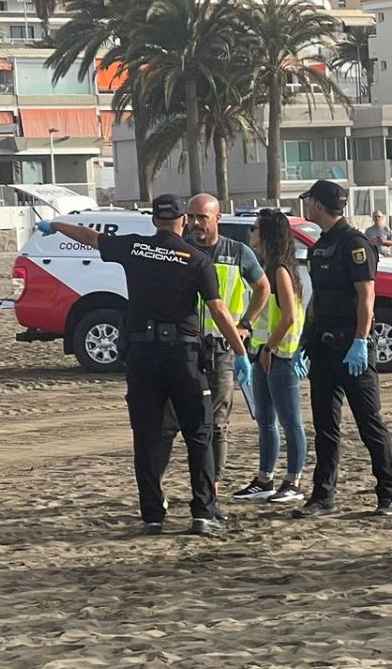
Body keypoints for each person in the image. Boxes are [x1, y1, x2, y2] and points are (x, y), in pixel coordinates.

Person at [48, 194, 248, 534]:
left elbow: (89, 237)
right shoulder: (197, 259)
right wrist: (240, 353)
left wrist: (55, 224)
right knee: (198, 433)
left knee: (147, 436)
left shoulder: (134, 248)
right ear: (183, 221)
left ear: (154, 221)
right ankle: (202, 512)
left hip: (142, 354)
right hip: (182, 354)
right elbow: (217, 309)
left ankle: (153, 515)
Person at [294, 179, 392, 518]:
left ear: (320, 205)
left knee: (370, 423)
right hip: (323, 349)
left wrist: (359, 341)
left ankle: (388, 495)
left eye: (310, 201)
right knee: (325, 426)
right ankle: (323, 496)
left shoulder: (355, 243)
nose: (307, 206)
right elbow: (316, 298)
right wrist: (304, 340)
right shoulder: (320, 245)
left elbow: (366, 296)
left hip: (351, 348)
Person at [171, 192, 268, 499]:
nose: (196, 223)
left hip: (223, 350)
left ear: (218, 218)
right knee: (180, 419)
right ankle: (196, 480)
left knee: (218, 420)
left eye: (203, 217)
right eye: (192, 217)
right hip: (185, 347)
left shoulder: (237, 252)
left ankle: (214, 482)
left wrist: (244, 325)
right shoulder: (181, 251)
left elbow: (262, 288)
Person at [233, 208, 308, 504]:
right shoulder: (269, 267)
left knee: (291, 421)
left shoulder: (280, 270)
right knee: (265, 419)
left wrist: (270, 348)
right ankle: (265, 478)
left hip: (280, 357)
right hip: (262, 354)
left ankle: (294, 480)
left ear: (266, 233)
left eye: (254, 228)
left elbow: (289, 316)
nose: (251, 233)